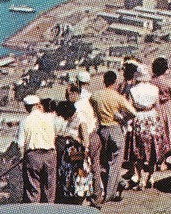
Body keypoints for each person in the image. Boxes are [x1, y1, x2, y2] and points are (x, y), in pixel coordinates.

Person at [90, 69, 133, 203]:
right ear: (115, 82)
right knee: (115, 163)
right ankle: (109, 193)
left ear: (104, 81)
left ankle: (103, 188)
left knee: (104, 161)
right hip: (114, 129)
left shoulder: (95, 96)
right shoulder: (117, 96)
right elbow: (132, 112)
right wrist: (123, 119)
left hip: (101, 129)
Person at [123, 62, 162, 190]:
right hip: (152, 118)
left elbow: (129, 108)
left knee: (138, 151)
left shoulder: (133, 91)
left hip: (139, 118)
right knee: (152, 149)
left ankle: (140, 178)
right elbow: (157, 107)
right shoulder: (154, 89)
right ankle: (150, 176)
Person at [17, 95, 57, 203]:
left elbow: (21, 144)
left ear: (26, 107)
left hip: (33, 155)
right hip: (49, 154)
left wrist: (23, 159)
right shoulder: (49, 118)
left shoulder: (24, 121)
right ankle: (48, 213)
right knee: (49, 188)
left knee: (33, 189)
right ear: (38, 105)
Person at [63, 82, 99, 201]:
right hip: (93, 134)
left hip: (83, 140)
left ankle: (83, 195)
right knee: (94, 167)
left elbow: (82, 126)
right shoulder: (87, 101)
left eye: (67, 94)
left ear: (74, 93)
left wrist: (83, 144)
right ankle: (96, 193)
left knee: (82, 170)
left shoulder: (76, 108)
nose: (66, 97)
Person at [150, 55, 171, 163]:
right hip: (167, 108)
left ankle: (157, 158)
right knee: (168, 132)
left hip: (156, 108)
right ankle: (163, 159)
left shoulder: (151, 82)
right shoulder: (168, 82)